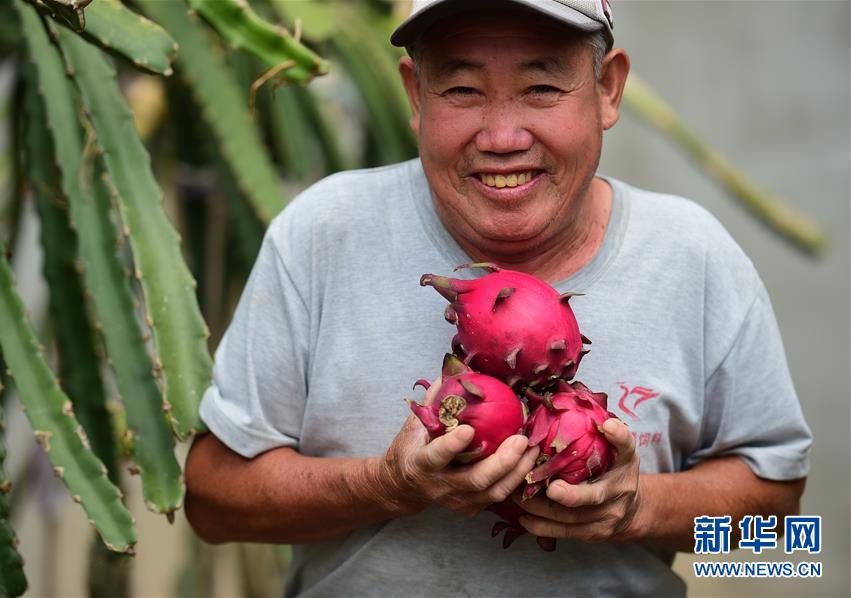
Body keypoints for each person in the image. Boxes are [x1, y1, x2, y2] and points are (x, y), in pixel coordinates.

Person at [184, 0, 813, 595]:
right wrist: (387, 485)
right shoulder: (324, 234)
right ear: (414, 96)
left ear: (608, 90)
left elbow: (785, 535)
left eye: (541, 88)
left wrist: (639, 508)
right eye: (462, 89)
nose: (503, 135)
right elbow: (210, 505)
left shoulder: (693, 256)